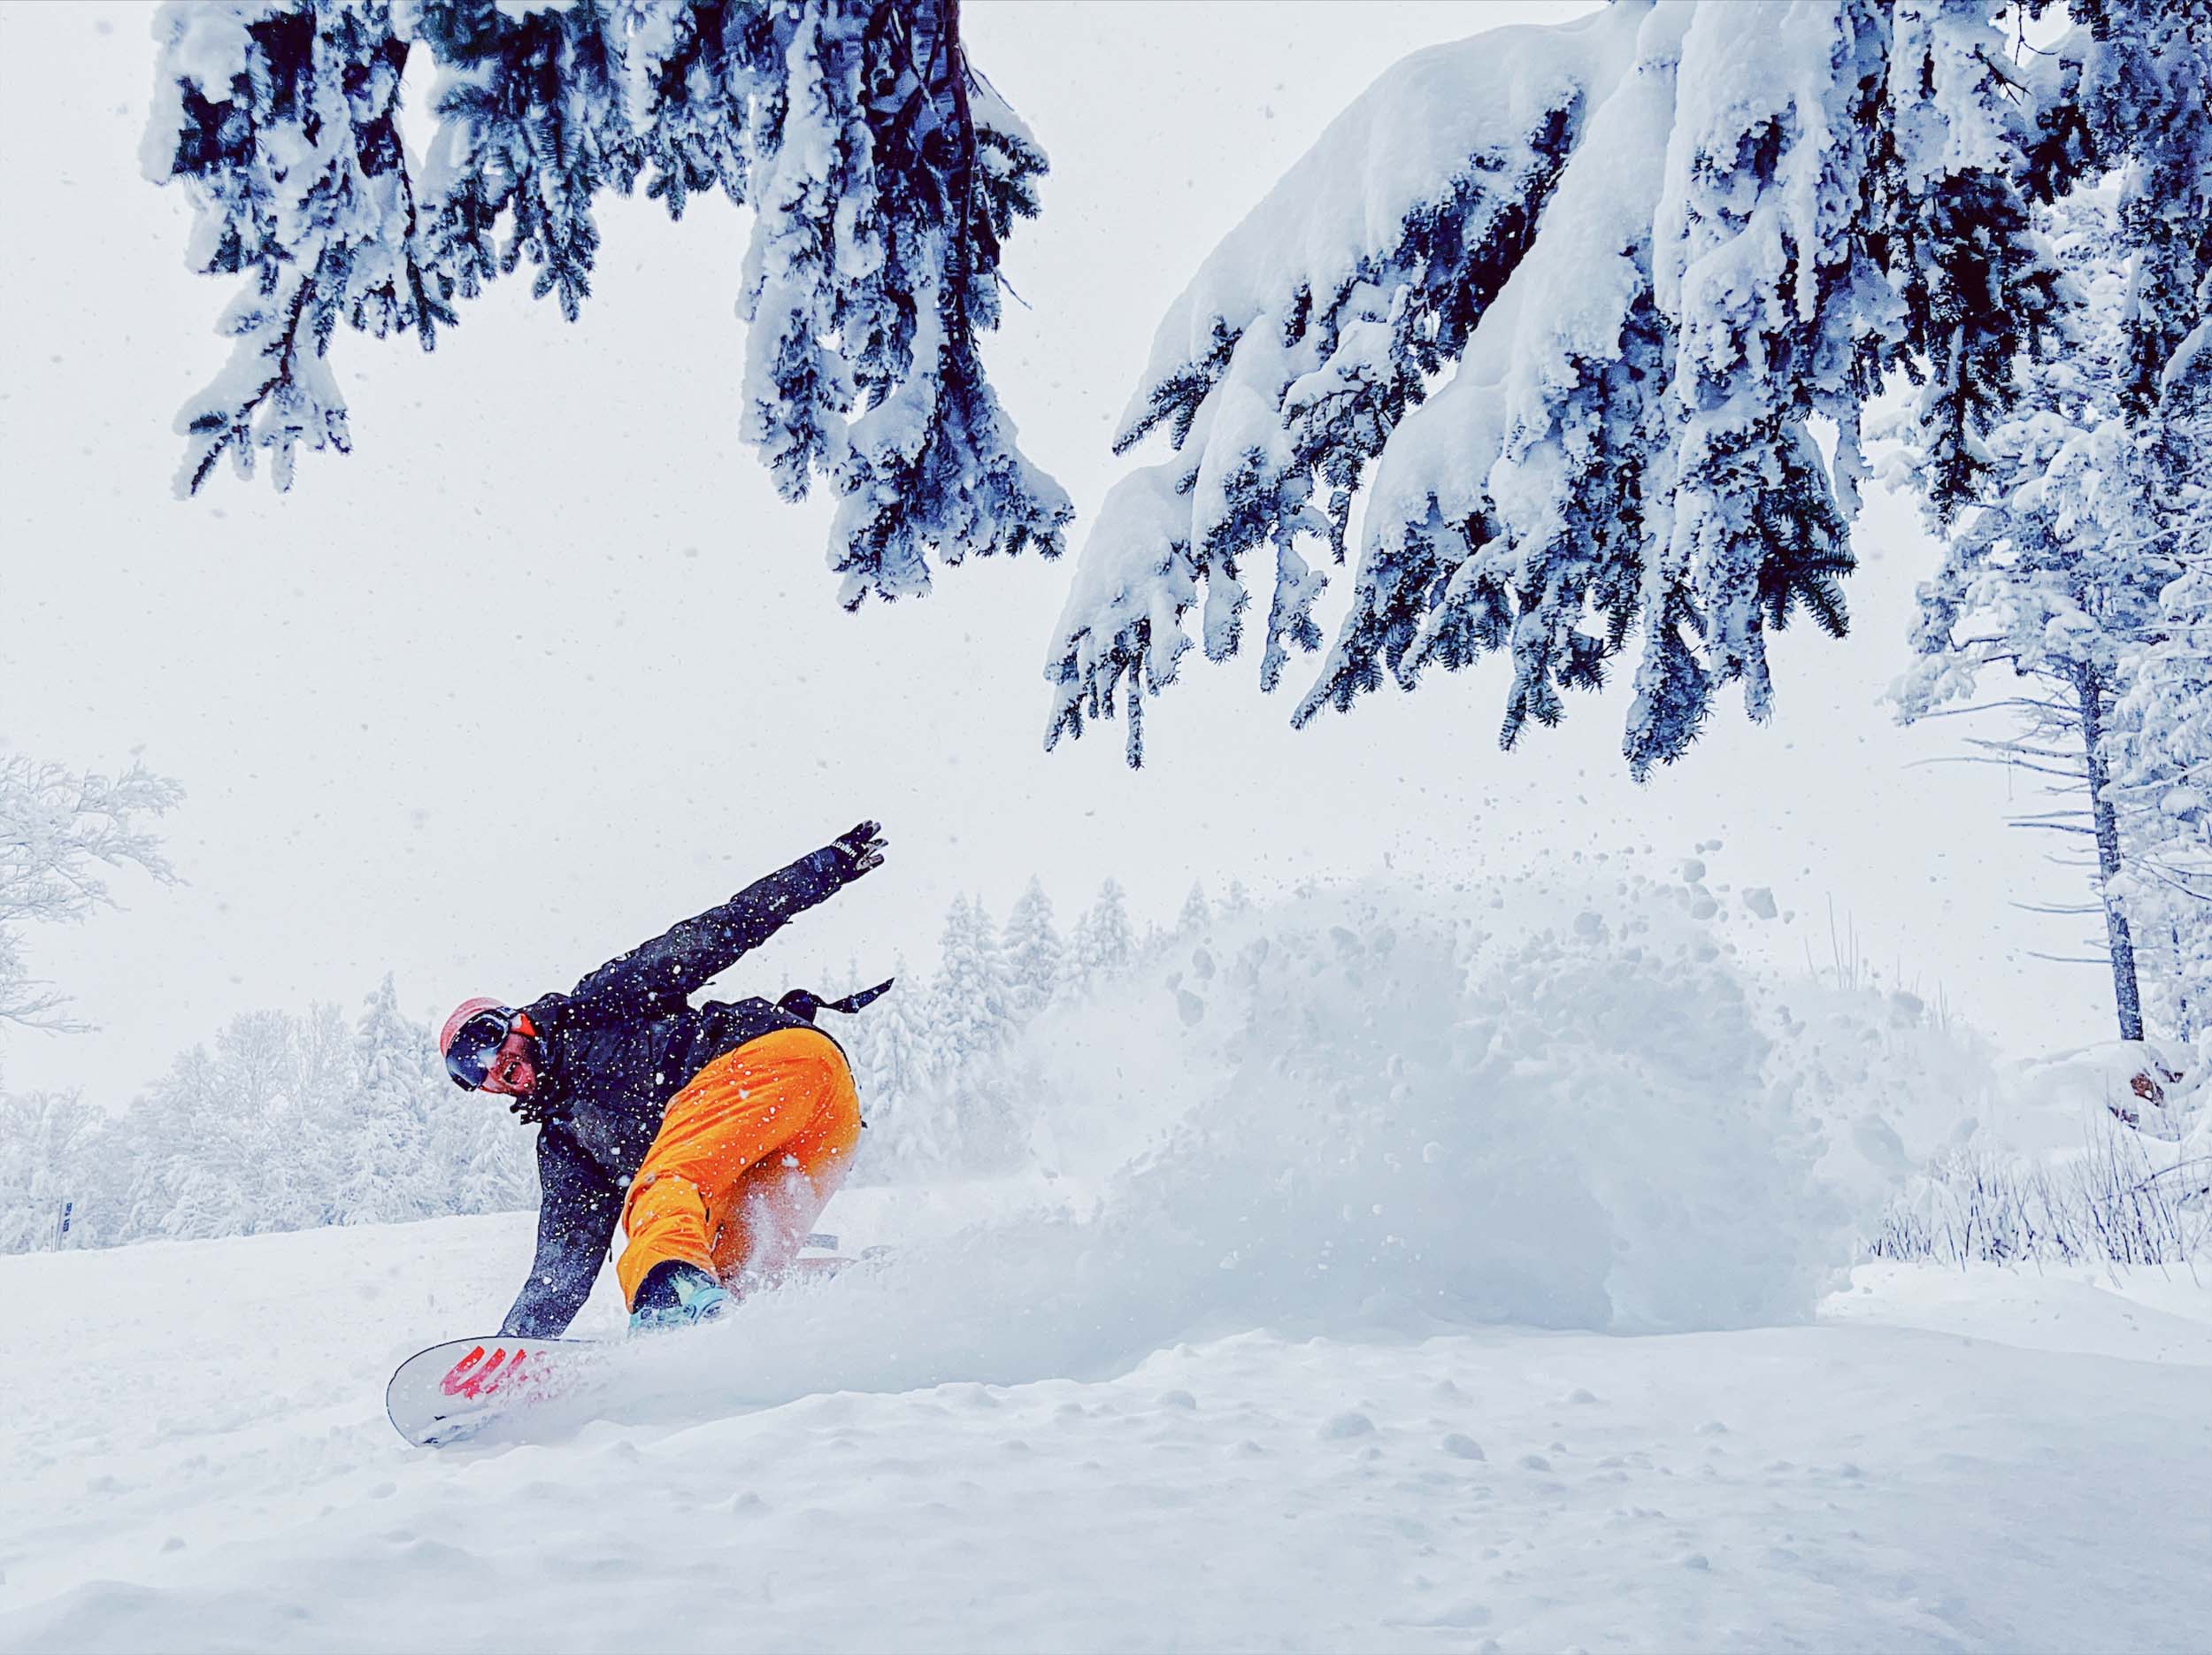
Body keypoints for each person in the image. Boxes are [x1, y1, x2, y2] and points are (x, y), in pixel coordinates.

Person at [439, 822, 892, 1336]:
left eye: (486, 1038)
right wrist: (514, 1350)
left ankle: (669, 1304)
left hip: (767, 1062)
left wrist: (822, 869)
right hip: (817, 1128)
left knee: (661, 1190)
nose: (489, 1065)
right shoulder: (569, 1145)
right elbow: (561, 1269)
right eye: (468, 1071)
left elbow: (713, 934)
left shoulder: (594, 1008)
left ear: (517, 1021)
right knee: (735, 1272)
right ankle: (865, 1288)